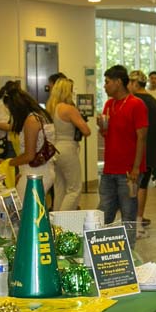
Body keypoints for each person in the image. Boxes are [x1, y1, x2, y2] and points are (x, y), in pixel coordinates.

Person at [97, 65, 147, 228]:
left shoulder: (136, 104)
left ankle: (129, 249)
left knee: (128, 213)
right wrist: (102, 127)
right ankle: (99, 244)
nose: (104, 86)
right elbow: (106, 135)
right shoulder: (109, 105)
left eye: (107, 82)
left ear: (118, 82)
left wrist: (135, 168)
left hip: (128, 172)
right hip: (109, 169)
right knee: (104, 211)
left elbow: (142, 137)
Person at [128, 70, 156, 228]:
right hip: (150, 152)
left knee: (130, 186)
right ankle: (138, 219)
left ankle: (129, 219)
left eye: (129, 83)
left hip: (133, 151)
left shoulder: (131, 102)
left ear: (135, 84)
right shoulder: (155, 103)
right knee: (142, 186)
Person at [47, 77, 91, 211]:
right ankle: (64, 222)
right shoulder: (69, 109)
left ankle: (56, 224)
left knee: (59, 188)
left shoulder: (50, 108)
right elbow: (86, 130)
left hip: (54, 149)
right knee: (74, 189)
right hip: (68, 149)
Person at [5, 87, 57, 198]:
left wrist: (9, 162)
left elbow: (29, 155)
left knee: (25, 211)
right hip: (42, 171)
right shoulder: (41, 115)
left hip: (35, 174)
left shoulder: (31, 121)